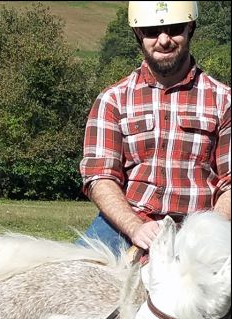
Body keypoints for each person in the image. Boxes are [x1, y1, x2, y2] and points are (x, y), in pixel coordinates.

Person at [78, 0, 230, 255]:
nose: (163, 40)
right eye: (151, 31)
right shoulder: (112, 100)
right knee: (70, 281)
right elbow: (99, 176)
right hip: (126, 223)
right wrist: (134, 227)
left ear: (190, 28)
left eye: (174, 29)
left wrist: (206, 233)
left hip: (199, 229)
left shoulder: (223, 101)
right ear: (138, 34)